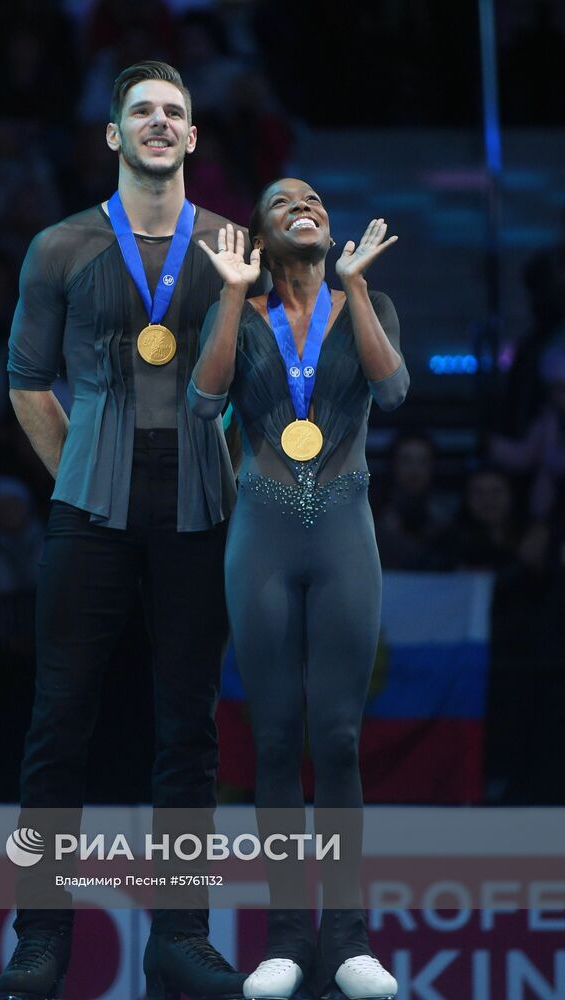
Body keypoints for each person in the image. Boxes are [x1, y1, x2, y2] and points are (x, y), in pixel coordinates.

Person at [0, 61, 249, 1000]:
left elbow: (255, 386)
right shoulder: (60, 247)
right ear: (113, 135)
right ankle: (40, 937)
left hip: (198, 505)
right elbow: (27, 382)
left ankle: (181, 935)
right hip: (90, 506)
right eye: (140, 110)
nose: (157, 122)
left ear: (191, 139)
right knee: (59, 720)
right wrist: (79, 473)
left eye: (173, 113)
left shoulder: (232, 245)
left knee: (189, 728)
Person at [190, 179, 407, 999]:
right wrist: (230, 298)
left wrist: (354, 287)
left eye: (314, 197)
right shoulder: (240, 314)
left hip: (346, 536)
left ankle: (348, 941)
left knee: (340, 739)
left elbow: (393, 391)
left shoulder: (370, 301)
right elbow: (205, 398)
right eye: (284, 202)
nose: (304, 203)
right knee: (276, 739)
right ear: (260, 235)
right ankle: (288, 938)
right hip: (263, 540)